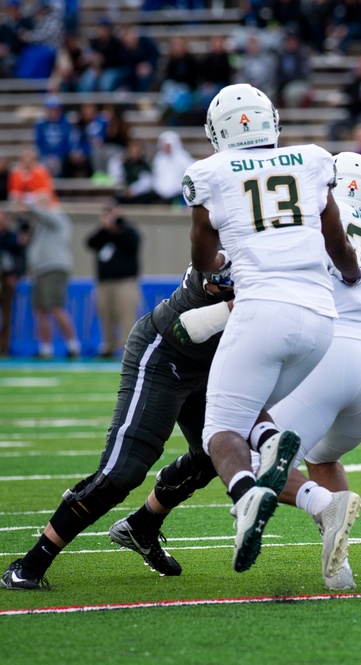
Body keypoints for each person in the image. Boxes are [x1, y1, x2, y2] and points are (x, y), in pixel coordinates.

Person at [113, 152, 361, 590]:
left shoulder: (308, 216)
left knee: (244, 450)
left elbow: (244, 268)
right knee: (320, 453)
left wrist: (211, 307)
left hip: (328, 347)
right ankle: (339, 564)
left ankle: (321, 504)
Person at [185, 83, 361, 573]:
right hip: (320, 318)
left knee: (219, 429)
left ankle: (245, 497)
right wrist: (352, 276)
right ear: (272, 121)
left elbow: (203, 256)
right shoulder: (310, 159)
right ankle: (312, 494)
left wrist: (218, 263)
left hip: (262, 309)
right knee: (250, 409)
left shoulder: (211, 173)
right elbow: (338, 244)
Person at [1, 261, 236, 589]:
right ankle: (31, 563)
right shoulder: (229, 244)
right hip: (165, 355)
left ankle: (142, 525)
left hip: (215, 364)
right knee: (122, 471)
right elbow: (214, 276)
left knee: (218, 454)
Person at [16, 191, 81, 360]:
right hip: (41, 270)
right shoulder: (41, 226)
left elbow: (45, 215)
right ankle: (45, 349)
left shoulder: (58, 217)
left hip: (54, 268)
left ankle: (73, 345)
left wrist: (29, 204)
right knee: (40, 310)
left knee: (55, 307)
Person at [85, 201, 141, 359]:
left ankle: (127, 348)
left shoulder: (128, 231)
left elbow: (132, 244)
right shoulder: (102, 234)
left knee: (126, 315)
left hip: (125, 282)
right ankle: (108, 346)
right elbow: (90, 243)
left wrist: (117, 229)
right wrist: (104, 229)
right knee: (105, 314)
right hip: (104, 282)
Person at [0, 209, 27, 357]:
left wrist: (16, 274)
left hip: (6, 277)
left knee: (7, 315)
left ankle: (4, 348)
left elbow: (20, 257)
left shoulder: (12, 237)